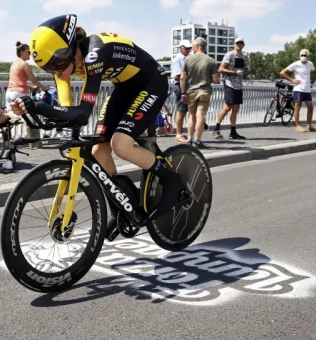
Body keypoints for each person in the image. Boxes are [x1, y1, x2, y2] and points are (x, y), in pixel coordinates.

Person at [10, 14, 186, 229]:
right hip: (123, 88)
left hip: (151, 83)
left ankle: (171, 179)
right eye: (49, 68)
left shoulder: (95, 52)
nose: (57, 72)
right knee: (98, 151)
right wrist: (29, 106)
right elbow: (66, 110)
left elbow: (83, 112)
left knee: (120, 145)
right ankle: (119, 207)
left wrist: (39, 106)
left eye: (57, 64)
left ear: (70, 49)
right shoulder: (63, 65)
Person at [180, 37, 219, 148]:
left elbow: (182, 78)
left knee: (191, 116)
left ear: (197, 46)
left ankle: (189, 140)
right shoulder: (210, 60)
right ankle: (198, 141)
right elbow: (216, 80)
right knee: (200, 116)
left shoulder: (187, 59)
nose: (192, 48)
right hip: (205, 91)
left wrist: (183, 93)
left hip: (191, 91)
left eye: (193, 47)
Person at [212, 38, 248, 139]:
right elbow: (221, 69)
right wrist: (235, 72)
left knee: (236, 108)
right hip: (229, 84)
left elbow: (246, 69)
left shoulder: (245, 57)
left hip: (239, 85)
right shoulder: (229, 55)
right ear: (234, 44)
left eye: (241, 43)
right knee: (227, 107)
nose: (239, 45)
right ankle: (216, 128)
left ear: (243, 45)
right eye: (237, 43)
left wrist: (245, 71)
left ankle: (233, 131)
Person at [280, 49, 316, 132]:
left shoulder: (310, 64)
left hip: (307, 89)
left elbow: (314, 71)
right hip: (298, 89)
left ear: (308, 56)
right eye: (302, 55)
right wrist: (292, 80)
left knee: (310, 107)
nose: (303, 57)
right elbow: (282, 72)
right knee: (297, 107)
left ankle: (309, 126)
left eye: (305, 55)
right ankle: (298, 126)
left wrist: (311, 77)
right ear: (299, 56)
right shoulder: (296, 64)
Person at [6, 41, 49, 107]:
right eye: (28, 52)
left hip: (9, 93)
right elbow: (33, 79)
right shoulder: (24, 64)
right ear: (22, 53)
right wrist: (44, 87)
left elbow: (18, 81)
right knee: (26, 114)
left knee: (11, 115)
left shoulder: (14, 63)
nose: (30, 54)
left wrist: (31, 87)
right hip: (19, 94)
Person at [170, 40, 192, 142]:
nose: (188, 50)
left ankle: (181, 133)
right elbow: (177, 76)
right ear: (181, 47)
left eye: (189, 48)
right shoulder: (179, 59)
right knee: (181, 110)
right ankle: (178, 134)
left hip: (184, 85)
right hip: (179, 86)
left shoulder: (186, 58)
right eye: (186, 48)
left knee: (184, 110)